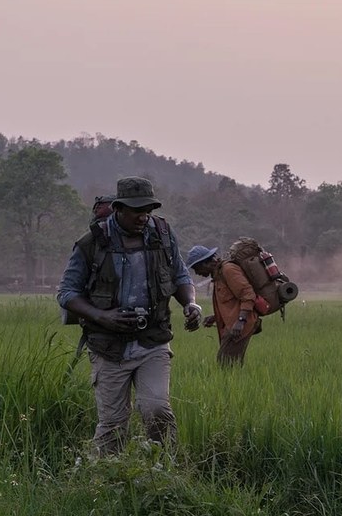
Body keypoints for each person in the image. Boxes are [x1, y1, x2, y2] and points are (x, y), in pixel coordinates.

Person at [57, 176, 202, 454]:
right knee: (113, 424)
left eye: (147, 210)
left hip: (153, 340)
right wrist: (103, 317)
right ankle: (107, 482)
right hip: (108, 347)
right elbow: (66, 294)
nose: (143, 216)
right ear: (118, 209)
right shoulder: (91, 244)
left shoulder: (162, 234)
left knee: (157, 409)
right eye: (136, 210)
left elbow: (180, 275)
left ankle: (164, 472)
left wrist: (190, 304)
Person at [186, 245, 259, 367]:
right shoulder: (218, 275)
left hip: (240, 326)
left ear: (205, 263)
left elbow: (248, 294)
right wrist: (215, 317)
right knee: (228, 364)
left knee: (226, 364)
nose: (197, 272)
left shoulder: (228, 270)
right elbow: (231, 302)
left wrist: (241, 321)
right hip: (233, 325)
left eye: (196, 268)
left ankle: (234, 386)